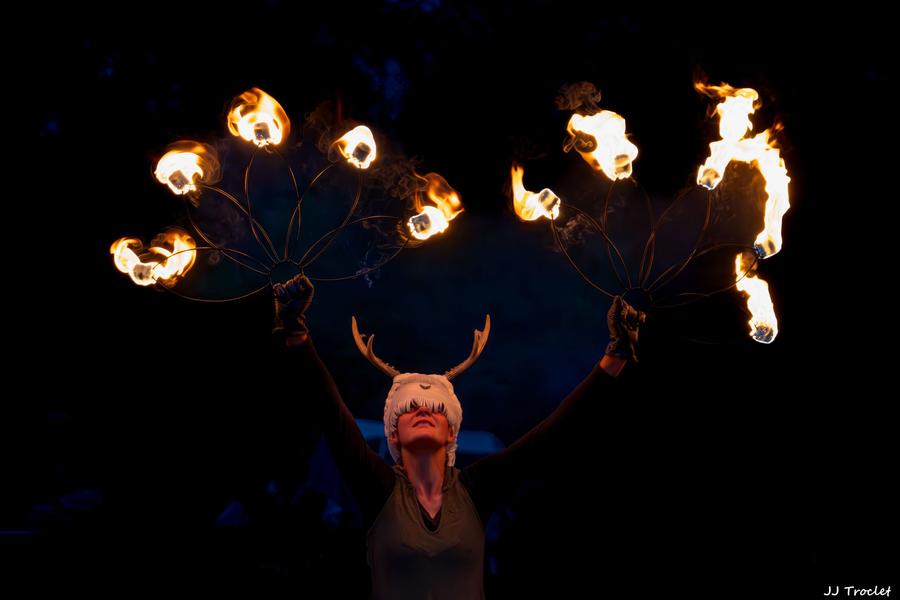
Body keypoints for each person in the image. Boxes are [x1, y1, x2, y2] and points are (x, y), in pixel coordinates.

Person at [272, 273, 644, 599]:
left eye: (435, 408)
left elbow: (551, 435)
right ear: (393, 435)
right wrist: (295, 332)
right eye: (410, 408)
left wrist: (615, 356)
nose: (423, 411)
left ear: (452, 430)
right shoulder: (379, 488)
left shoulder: (477, 489)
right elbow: (331, 413)